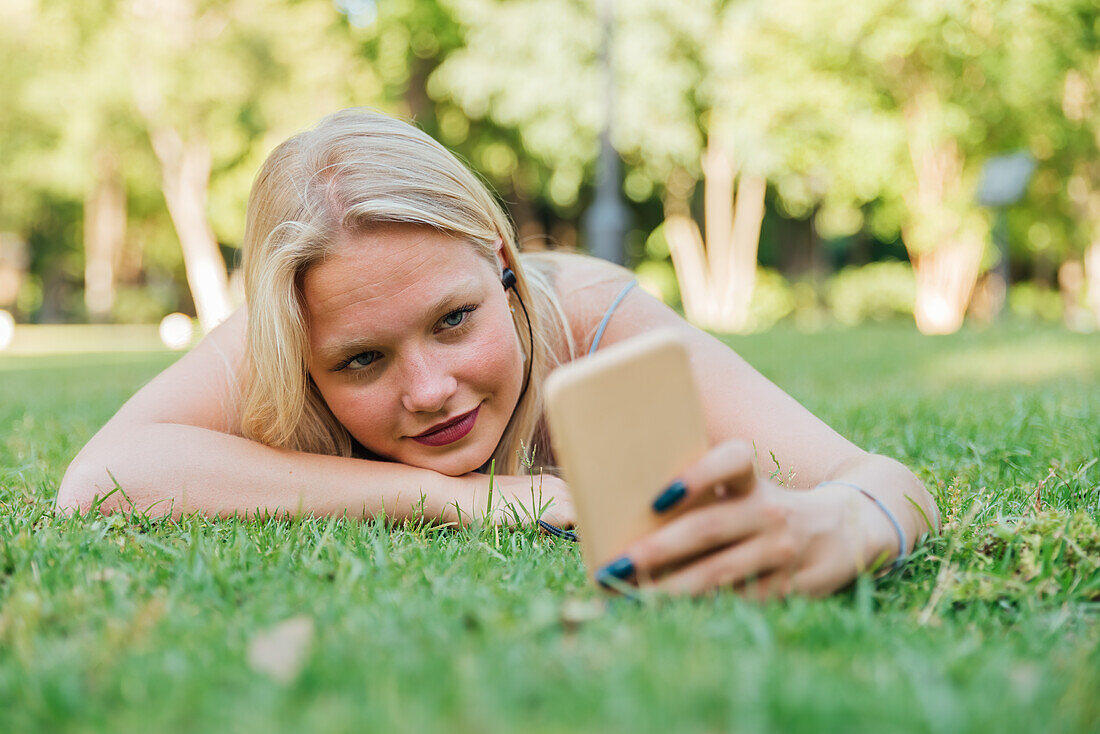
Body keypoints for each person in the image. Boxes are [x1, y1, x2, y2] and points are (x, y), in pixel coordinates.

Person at [57, 108, 939, 598]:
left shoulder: (589, 314)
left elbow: (879, 477)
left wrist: (855, 521)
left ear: (506, 265)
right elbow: (101, 478)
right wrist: (458, 500)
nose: (432, 390)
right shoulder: (288, 329)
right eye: (361, 362)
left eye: (453, 320)